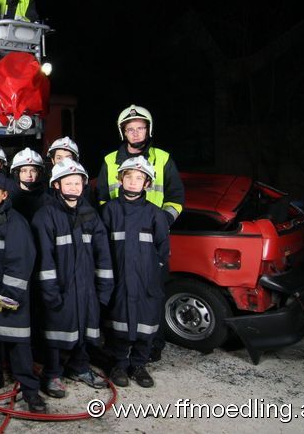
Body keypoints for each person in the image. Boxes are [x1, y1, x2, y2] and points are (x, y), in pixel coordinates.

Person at [95, 104, 185, 361]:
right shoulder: (110, 161)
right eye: (130, 129)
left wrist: (161, 221)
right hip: (120, 239)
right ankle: (117, 351)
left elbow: (176, 197)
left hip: (150, 237)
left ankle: (151, 348)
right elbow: (102, 198)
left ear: (148, 129)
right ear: (123, 132)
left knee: (152, 293)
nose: (135, 133)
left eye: (140, 128)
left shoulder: (164, 158)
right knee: (117, 295)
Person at [31, 159, 113, 399]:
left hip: (86, 287)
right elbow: (44, 259)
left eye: (78, 183)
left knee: (85, 328)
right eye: (68, 183)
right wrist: (50, 292)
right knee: (56, 331)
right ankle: (53, 373)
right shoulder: (45, 216)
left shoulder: (90, 215)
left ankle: (80, 367)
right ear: (56, 185)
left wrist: (104, 290)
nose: (74, 187)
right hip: (61, 287)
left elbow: (103, 255)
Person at [0, 172, 47, 413]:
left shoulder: (15, 222)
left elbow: (21, 260)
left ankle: (30, 389)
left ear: (5, 194)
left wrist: (10, 294)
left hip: (8, 294)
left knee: (18, 343)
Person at [101, 156, 170, 389]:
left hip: (145, 281)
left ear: (147, 184)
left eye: (139, 178)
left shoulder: (155, 214)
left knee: (146, 323)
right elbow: (101, 247)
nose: (133, 181)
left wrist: (152, 273)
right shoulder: (109, 211)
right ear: (120, 179)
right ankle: (119, 364)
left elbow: (162, 249)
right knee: (118, 322)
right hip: (119, 279)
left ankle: (139, 364)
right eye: (128, 176)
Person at [9, 147, 54, 223]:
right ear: (17, 173)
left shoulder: (48, 201)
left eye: (33, 170)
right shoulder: (8, 200)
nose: (29, 175)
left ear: (39, 173)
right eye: (24, 171)